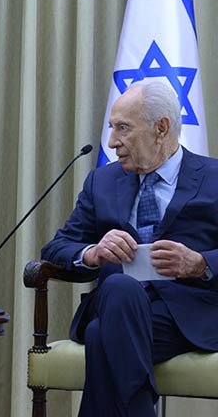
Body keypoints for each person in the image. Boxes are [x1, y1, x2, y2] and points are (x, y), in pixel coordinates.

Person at [42, 80, 218, 416]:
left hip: (186, 317)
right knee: (121, 288)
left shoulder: (214, 178)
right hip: (115, 301)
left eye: (123, 128)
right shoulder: (102, 181)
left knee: (99, 336)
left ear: (161, 128)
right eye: (111, 128)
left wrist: (199, 263)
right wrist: (92, 252)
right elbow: (56, 248)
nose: (111, 142)